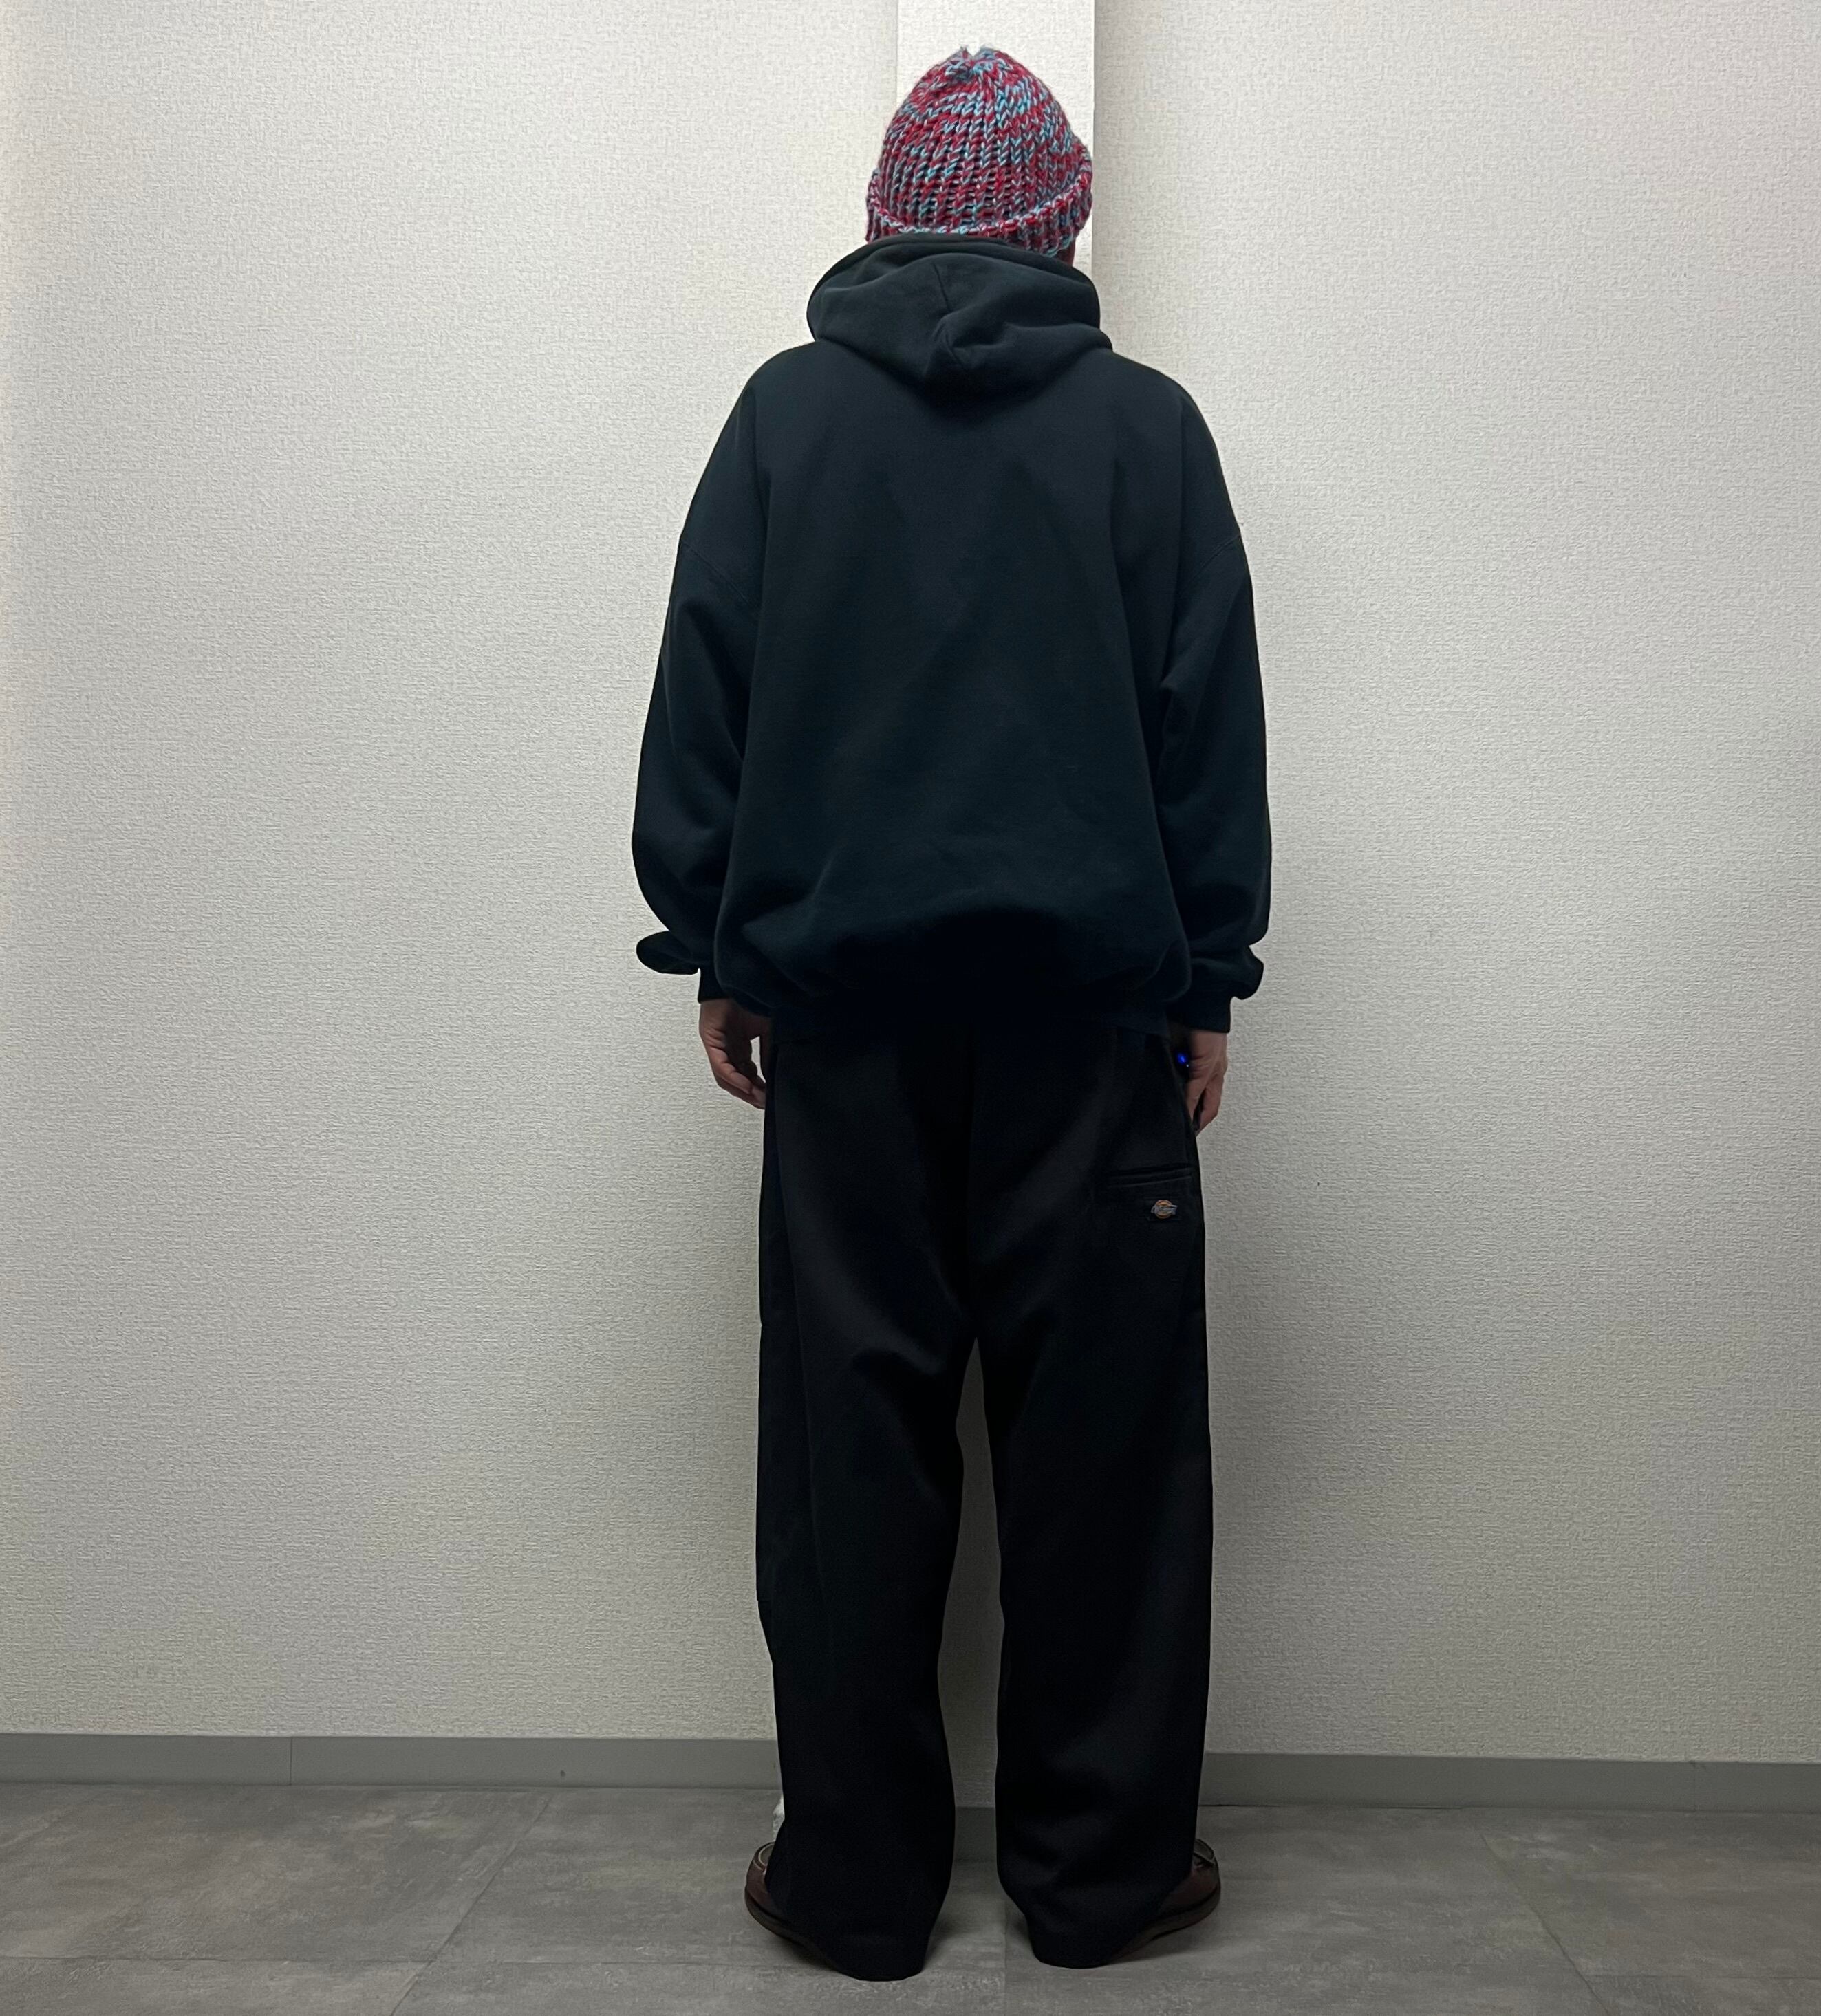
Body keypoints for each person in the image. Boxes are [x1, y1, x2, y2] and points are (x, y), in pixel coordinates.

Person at [630, 43, 1269, 1982]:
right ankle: (1100, 1880)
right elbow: (1205, 726)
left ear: (886, 219)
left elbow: (708, 693)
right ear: (1060, 225)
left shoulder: (784, 419)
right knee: (1104, 1462)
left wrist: (718, 942)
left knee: (851, 1461)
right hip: (1090, 1025)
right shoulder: (1146, 431)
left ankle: (853, 1886)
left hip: (844, 1019)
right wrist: (1206, 972)